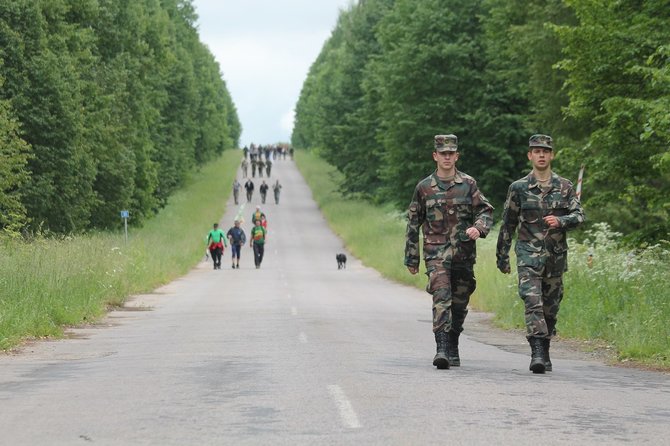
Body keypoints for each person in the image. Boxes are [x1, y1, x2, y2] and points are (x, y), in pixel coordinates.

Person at [496, 134, 585, 374]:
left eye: (545, 151)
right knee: (532, 300)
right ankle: (536, 352)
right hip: (528, 255)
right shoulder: (519, 188)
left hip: (555, 257)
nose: (541, 155)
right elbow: (508, 224)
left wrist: (561, 220)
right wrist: (501, 256)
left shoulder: (565, 186)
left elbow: (579, 216)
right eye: (536, 151)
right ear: (530, 156)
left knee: (550, 306)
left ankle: (544, 349)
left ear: (552, 155)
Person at [404, 134, 493, 370]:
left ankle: (453, 340)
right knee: (441, 295)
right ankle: (441, 348)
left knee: (460, 302)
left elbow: (485, 211)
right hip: (436, 255)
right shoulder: (424, 188)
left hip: (463, 254)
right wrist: (412, 257)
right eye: (443, 153)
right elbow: (413, 223)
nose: (447, 157)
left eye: (451, 153)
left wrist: (479, 228)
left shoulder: (468, 184)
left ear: (456, 156)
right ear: (435, 156)